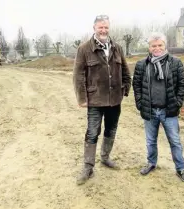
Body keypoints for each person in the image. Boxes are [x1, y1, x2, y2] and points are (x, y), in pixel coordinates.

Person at [73, 14, 131, 185]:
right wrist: (82, 98)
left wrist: (125, 89)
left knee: (111, 130)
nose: (104, 30)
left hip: (115, 100)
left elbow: (126, 71)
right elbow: (78, 75)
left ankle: (105, 157)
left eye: (106, 27)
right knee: (92, 132)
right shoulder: (84, 49)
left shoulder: (117, 48)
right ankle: (88, 167)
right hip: (95, 100)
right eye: (100, 27)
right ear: (94, 28)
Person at [132, 32, 184, 183]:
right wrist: (140, 103)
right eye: (154, 45)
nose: (157, 48)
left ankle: (180, 168)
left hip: (169, 111)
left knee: (175, 141)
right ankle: (151, 163)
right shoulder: (141, 65)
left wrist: (177, 102)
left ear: (165, 46)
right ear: (149, 47)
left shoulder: (175, 63)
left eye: (160, 45)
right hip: (150, 110)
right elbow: (137, 85)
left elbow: (183, 84)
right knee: (150, 141)